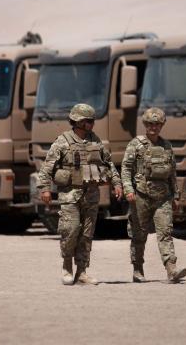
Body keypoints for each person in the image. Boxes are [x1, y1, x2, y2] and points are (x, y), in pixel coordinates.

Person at [38, 103, 123, 285]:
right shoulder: (63, 141)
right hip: (70, 195)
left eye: (92, 121)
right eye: (87, 121)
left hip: (91, 195)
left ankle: (82, 272)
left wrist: (117, 183)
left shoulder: (96, 141)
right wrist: (45, 189)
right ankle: (67, 266)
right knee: (70, 230)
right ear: (76, 121)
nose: (90, 124)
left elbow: (108, 164)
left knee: (86, 234)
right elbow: (47, 167)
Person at [121, 107, 186, 283]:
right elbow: (126, 168)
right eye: (150, 124)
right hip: (141, 196)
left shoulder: (166, 146)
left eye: (157, 124)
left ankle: (171, 269)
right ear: (145, 124)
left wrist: (175, 195)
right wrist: (128, 189)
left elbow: (173, 172)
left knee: (165, 232)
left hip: (163, 198)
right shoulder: (136, 144)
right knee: (139, 234)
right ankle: (137, 269)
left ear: (162, 125)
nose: (154, 127)